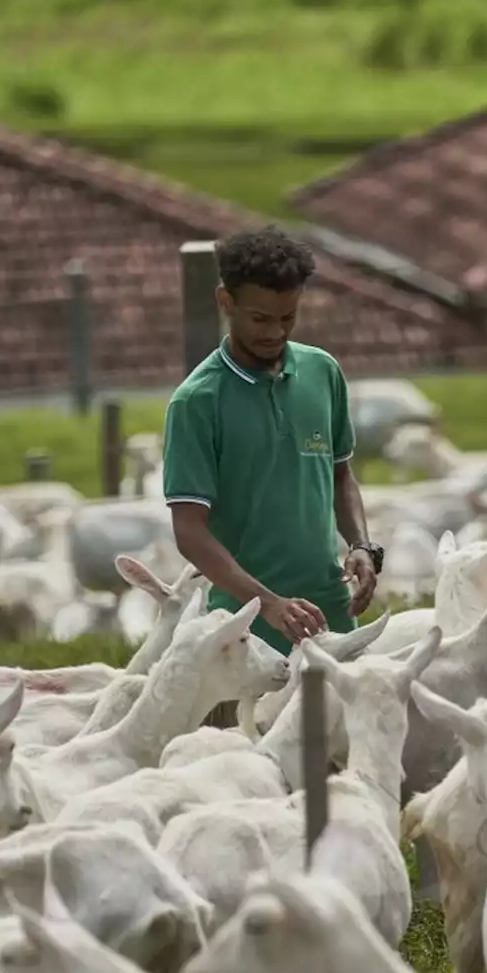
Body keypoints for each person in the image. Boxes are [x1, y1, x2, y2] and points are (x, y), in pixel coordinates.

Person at [162, 225, 381, 657]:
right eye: (260, 319)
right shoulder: (196, 402)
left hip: (330, 617)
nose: (276, 332)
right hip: (243, 631)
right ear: (226, 302)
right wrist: (266, 603)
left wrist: (361, 546)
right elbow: (189, 531)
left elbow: (339, 476)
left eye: (288, 318)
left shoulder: (323, 373)